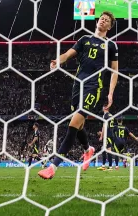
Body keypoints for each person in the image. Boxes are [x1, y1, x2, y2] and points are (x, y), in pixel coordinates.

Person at [38, 11, 118, 180]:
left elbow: (114, 71)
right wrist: (58, 60)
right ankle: (88, 149)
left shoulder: (111, 45)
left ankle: (53, 167)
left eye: (107, 21)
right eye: (101, 19)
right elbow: (67, 54)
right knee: (79, 124)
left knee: (74, 123)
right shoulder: (84, 39)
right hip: (77, 85)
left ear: (109, 27)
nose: (103, 21)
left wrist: (110, 93)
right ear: (97, 21)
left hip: (94, 86)